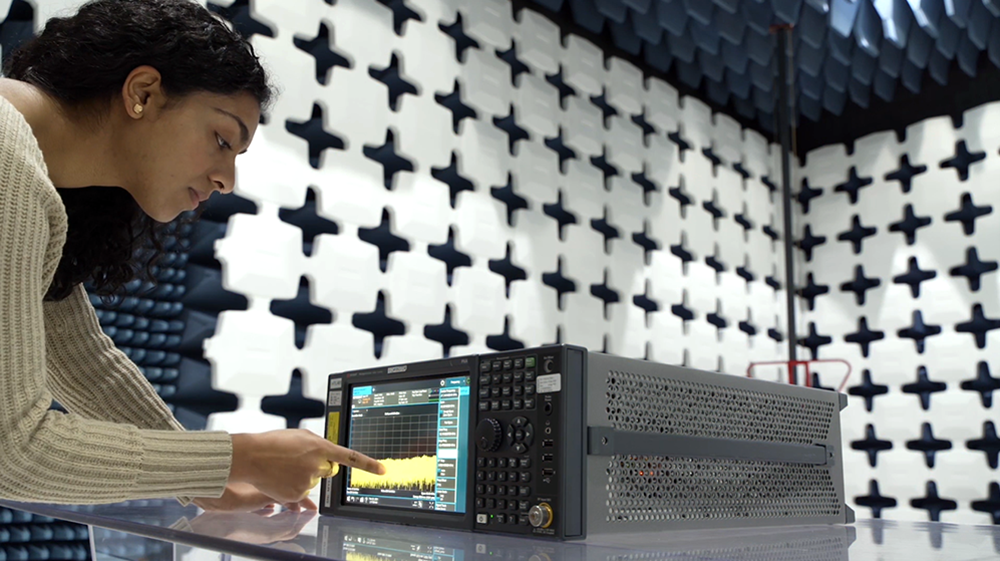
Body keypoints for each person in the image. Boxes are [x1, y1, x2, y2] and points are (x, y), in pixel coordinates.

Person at [0, 0, 384, 511]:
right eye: (222, 139)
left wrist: (203, 481)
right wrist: (239, 457)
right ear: (143, 93)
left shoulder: (24, 161)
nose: (227, 180)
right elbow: (12, 452)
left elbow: (78, 354)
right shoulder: (8, 160)